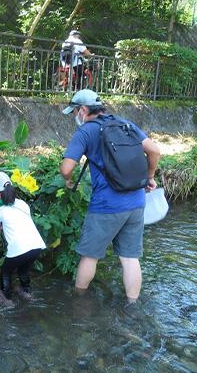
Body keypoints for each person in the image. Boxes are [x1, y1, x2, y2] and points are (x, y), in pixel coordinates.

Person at [59, 90, 161, 306]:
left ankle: (78, 302)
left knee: (89, 256)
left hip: (106, 205)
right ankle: (132, 305)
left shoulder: (86, 131)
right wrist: (149, 177)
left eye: (75, 111)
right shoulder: (124, 123)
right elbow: (154, 150)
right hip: (136, 202)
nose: (74, 116)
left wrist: (68, 180)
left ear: (83, 110)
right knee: (130, 258)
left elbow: (66, 167)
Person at [0, 172, 46, 306]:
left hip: (18, 248)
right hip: (36, 245)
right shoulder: (22, 204)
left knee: (5, 272)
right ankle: (26, 292)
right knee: (23, 270)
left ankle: (6, 298)